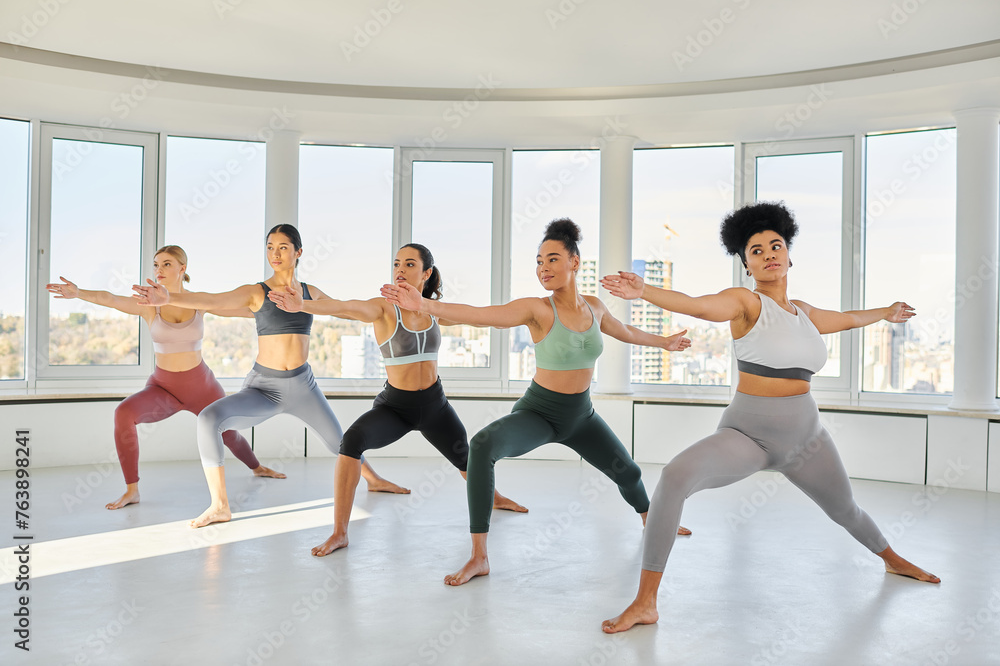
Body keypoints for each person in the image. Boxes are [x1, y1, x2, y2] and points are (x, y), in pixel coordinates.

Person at [600, 201, 940, 634]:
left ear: (789, 255)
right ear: (746, 264)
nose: (768, 254)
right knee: (674, 477)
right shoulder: (744, 303)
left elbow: (850, 318)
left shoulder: (805, 313)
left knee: (846, 510)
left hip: (807, 438)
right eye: (756, 251)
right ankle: (645, 602)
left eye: (774, 245)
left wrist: (885, 313)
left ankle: (893, 561)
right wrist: (645, 292)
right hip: (749, 434)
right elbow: (699, 306)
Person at [382, 219, 692, 586]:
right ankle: (479, 556)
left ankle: (649, 520)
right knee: (482, 445)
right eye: (539, 261)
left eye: (553, 259)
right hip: (539, 412)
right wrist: (428, 306)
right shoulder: (537, 309)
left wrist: (665, 342)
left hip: (581, 416)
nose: (543, 268)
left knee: (629, 472)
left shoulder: (594, 307)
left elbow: (624, 332)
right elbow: (482, 316)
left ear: (575, 262)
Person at [132, 225, 407, 528]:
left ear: (298, 252)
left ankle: (375, 480)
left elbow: (345, 310)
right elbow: (210, 300)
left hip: (304, 386)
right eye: (270, 247)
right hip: (264, 388)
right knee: (209, 419)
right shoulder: (256, 292)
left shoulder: (309, 293)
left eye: (283, 247)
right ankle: (220, 505)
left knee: (339, 441)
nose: (275, 254)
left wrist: (389, 307)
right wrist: (167, 298)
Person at [267, 243, 526, 556]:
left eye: (410, 265)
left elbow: (479, 318)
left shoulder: (433, 310)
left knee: (465, 457)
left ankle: (495, 498)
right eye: (396, 264)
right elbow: (343, 307)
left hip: (435, 406)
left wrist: (521, 317)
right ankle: (339, 533)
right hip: (396, 407)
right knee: (350, 443)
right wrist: (303, 305)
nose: (400, 270)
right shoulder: (383, 308)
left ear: (426, 273)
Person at [47, 245, 284, 510]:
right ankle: (132, 490)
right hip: (164, 389)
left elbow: (247, 310)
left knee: (228, 434)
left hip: (202, 387)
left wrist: (281, 307)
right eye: (156, 264)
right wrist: (78, 293)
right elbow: (110, 298)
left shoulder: (198, 302)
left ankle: (257, 466)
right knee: (123, 413)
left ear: (183, 268)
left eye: (167, 264)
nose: (159, 270)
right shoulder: (149, 306)